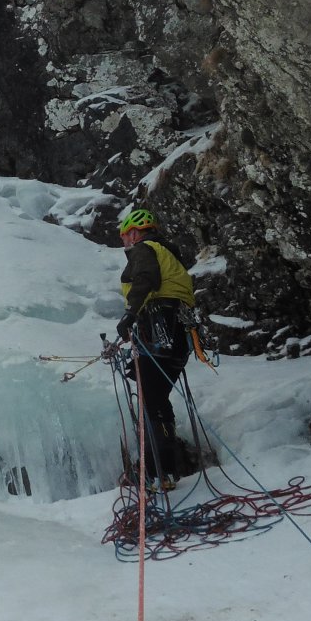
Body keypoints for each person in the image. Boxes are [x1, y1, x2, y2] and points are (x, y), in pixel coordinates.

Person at [114, 206, 197, 488]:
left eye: (125, 236)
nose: (125, 241)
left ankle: (153, 472)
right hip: (181, 336)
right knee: (158, 398)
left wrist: (129, 314)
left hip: (159, 327)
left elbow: (145, 279)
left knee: (150, 398)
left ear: (134, 233)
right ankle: (167, 471)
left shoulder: (144, 249)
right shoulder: (171, 254)